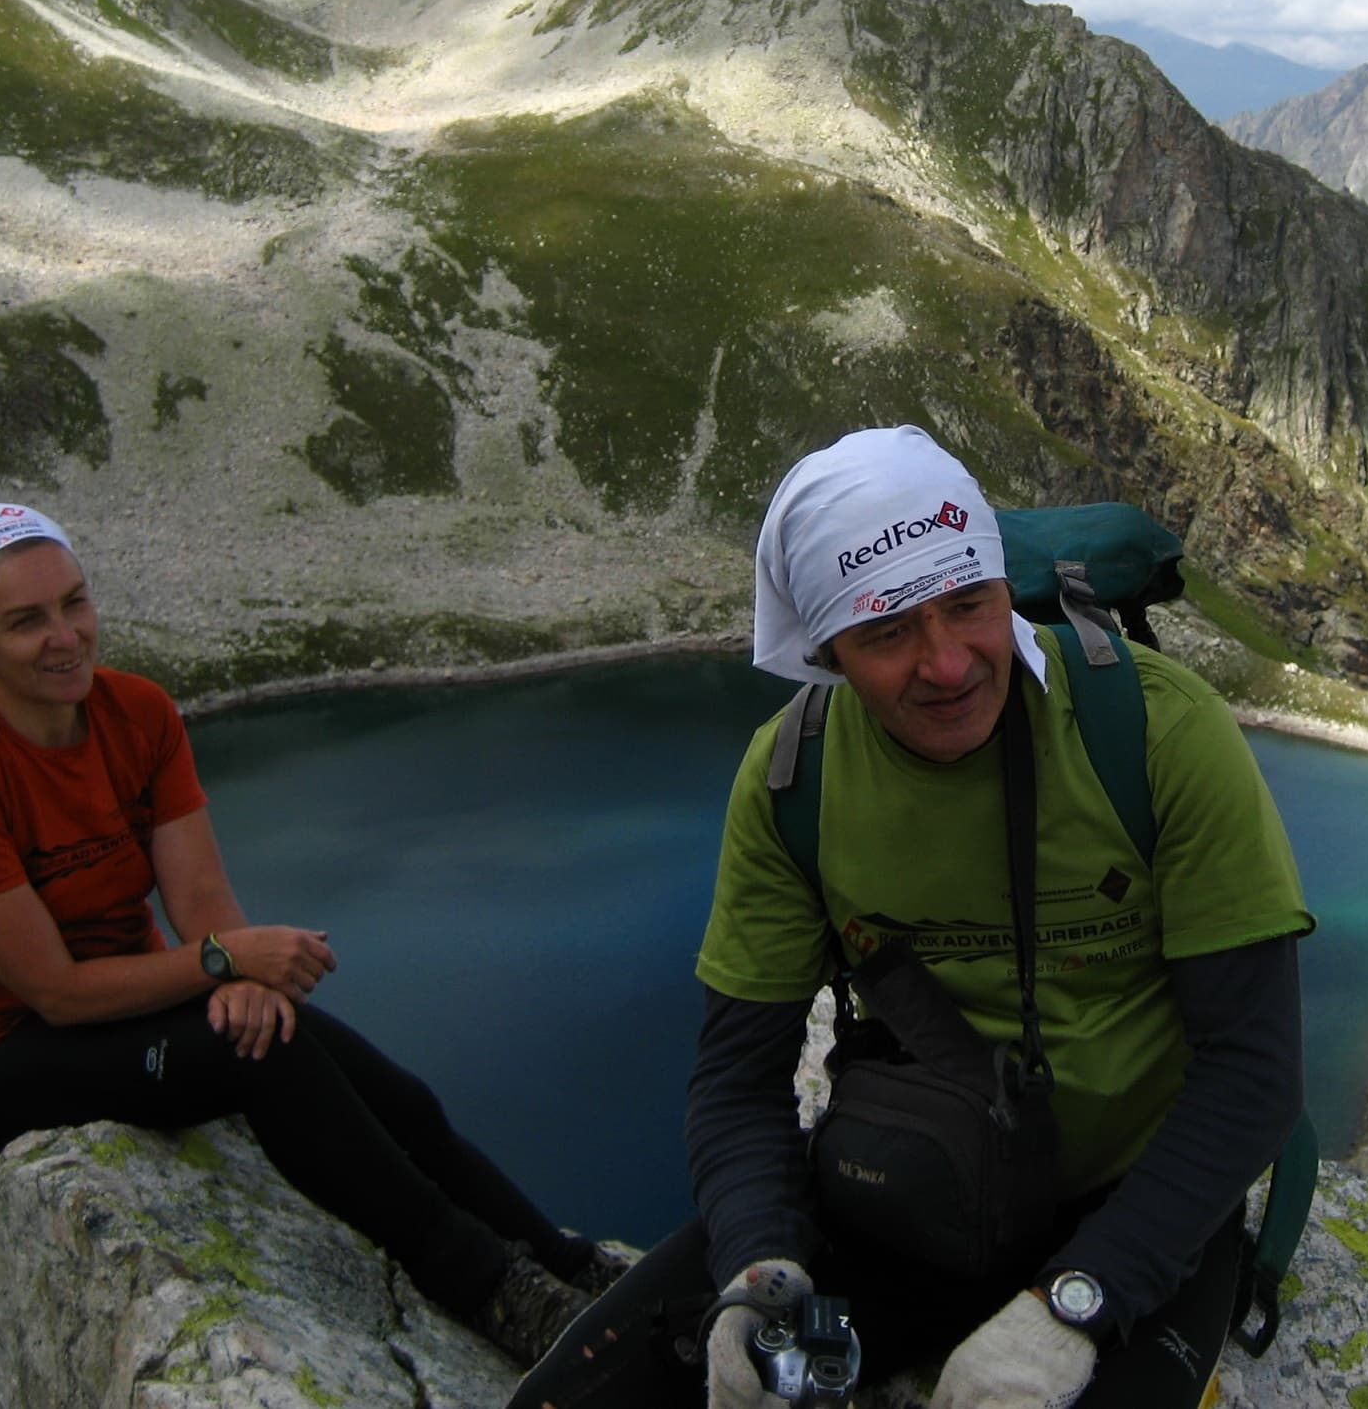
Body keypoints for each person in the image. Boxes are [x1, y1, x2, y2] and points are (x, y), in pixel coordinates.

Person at [511, 426, 1312, 1408]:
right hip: (902, 1201)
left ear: (997, 585)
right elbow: (738, 1078)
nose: (946, 663)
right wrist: (764, 1266)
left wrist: (1079, 1300)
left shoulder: (1159, 732)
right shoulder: (791, 778)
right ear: (827, 650)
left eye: (969, 604)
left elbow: (1254, 1068)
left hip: (1130, 1209)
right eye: (888, 630)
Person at [0, 503, 612, 1368]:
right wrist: (225, 962)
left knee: (396, 1098)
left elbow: (199, 897)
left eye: (75, 602)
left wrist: (243, 976)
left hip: (141, 997)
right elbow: (56, 993)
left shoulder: (136, 712)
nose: (67, 635)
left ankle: (572, 1266)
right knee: (264, 1059)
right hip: (12, 1059)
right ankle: (496, 1293)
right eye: (26, 621)